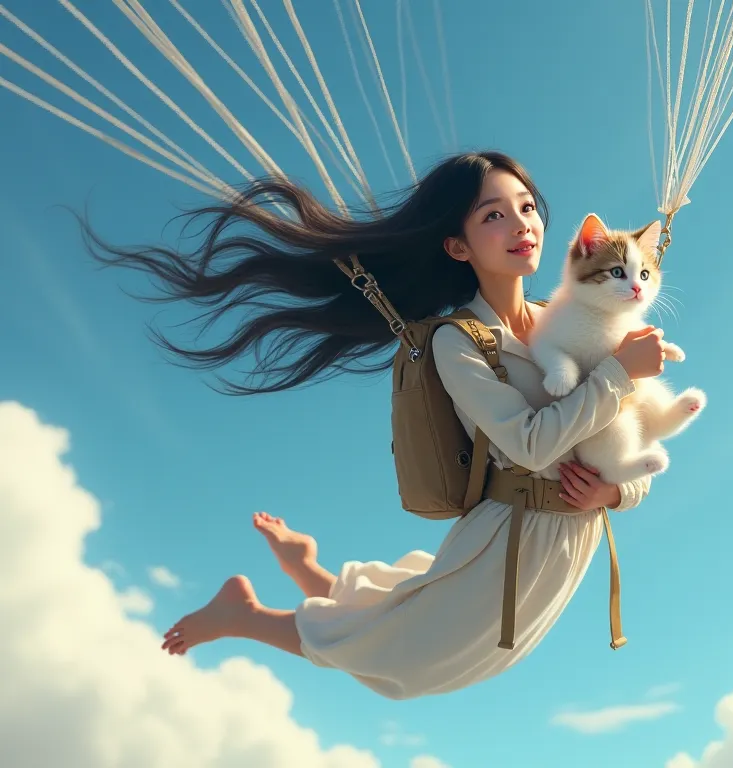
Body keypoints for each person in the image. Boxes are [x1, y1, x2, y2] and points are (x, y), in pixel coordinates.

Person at [81, 151, 671, 699]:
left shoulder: (570, 323)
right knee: (408, 658)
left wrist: (618, 491)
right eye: (494, 214)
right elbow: (527, 441)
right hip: (511, 540)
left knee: (408, 627)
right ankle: (247, 615)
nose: (522, 225)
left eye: (526, 207)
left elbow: (637, 435)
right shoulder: (456, 342)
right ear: (458, 246)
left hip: (571, 537)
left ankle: (307, 568)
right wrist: (617, 373)